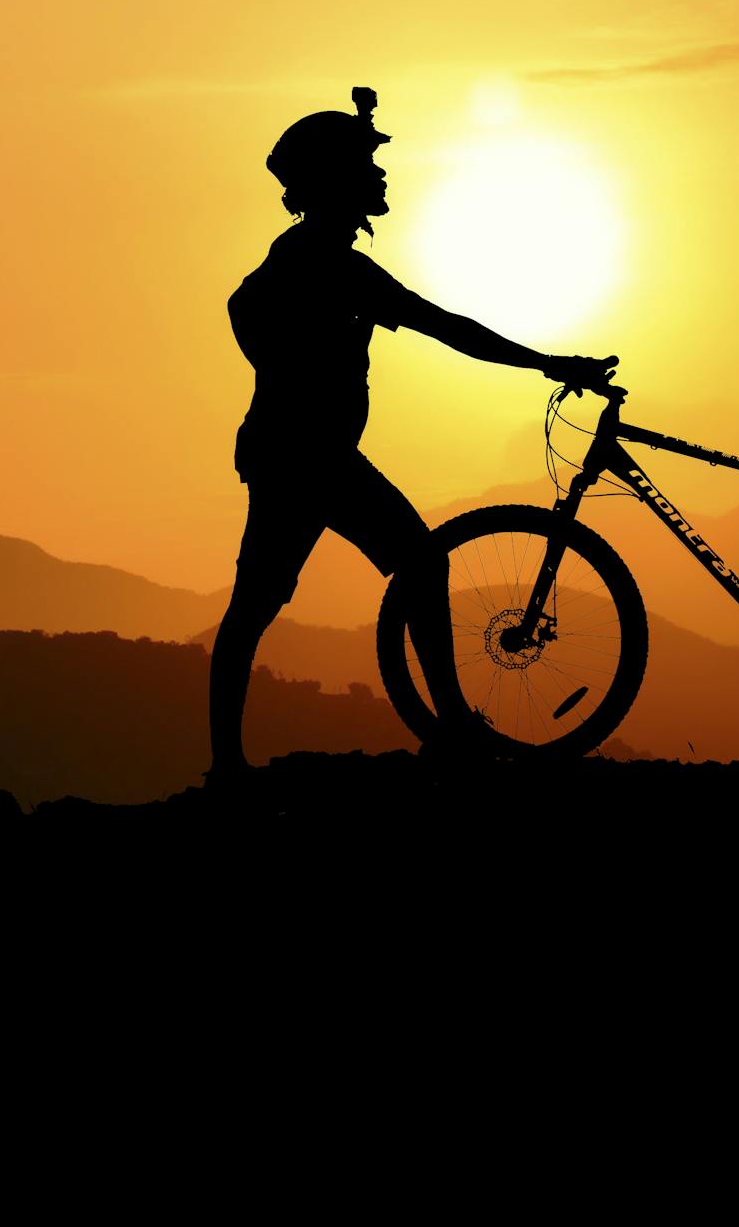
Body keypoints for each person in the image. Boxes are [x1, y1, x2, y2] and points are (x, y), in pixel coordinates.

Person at [207, 87, 615, 782]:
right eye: (367, 163)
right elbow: (446, 326)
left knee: (272, 598)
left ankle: (240, 763)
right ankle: (442, 726)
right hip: (307, 457)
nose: (381, 174)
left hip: (301, 453)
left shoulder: (314, 257)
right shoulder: (326, 263)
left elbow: (245, 311)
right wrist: (550, 362)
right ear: (334, 179)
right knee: (315, 588)